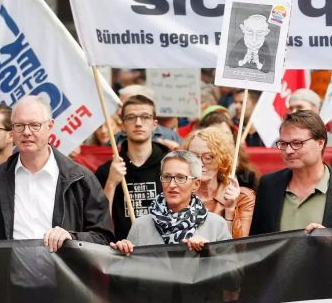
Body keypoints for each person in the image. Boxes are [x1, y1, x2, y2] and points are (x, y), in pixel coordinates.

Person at [0, 95, 113, 247]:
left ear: (50, 126)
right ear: (12, 130)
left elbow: (103, 237)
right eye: (19, 125)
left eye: (34, 125)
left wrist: (71, 237)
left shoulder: (80, 178)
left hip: (63, 269)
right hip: (12, 269)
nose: (26, 132)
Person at [250, 110, 332, 235]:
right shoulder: (269, 185)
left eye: (297, 143)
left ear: (320, 143)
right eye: (283, 144)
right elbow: (257, 245)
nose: (288, 150)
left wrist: (331, 244)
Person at [110, 150, 230, 254]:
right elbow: (129, 274)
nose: (172, 185)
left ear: (196, 184)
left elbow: (233, 274)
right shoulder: (140, 226)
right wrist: (123, 253)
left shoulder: (216, 225)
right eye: (167, 177)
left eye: (180, 178)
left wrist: (210, 253)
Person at [95, 95, 170, 240]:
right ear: (122, 125)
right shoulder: (107, 171)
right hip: (122, 253)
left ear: (155, 124)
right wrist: (111, 183)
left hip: (165, 252)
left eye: (145, 117)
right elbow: (98, 222)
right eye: (131, 117)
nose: (138, 123)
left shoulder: (170, 164)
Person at [183, 127, 255, 238]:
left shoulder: (243, 197)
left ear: (222, 159)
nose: (200, 163)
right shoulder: (179, 193)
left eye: (208, 157)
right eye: (193, 156)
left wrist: (230, 210)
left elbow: (238, 248)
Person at [199, 108, 260, 190]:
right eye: (215, 135)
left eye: (226, 134)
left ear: (233, 137)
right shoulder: (193, 173)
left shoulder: (247, 177)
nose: (222, 139)